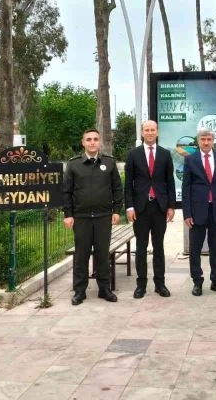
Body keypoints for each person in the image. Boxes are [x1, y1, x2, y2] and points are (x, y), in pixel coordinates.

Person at [63, 128, 123, 306]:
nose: (92, 142)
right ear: (83, 143)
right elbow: (66, 192)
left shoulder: (109, 163)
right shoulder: (74, 164)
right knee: (81, 255)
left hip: (103, 216)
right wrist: (68, 214)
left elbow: (117, 189)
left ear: (99, 142)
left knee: (102, 254)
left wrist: (116, 210)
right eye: (88, 139)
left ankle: (104, 289)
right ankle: (79, 291)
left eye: (95, 139)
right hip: (81, 217)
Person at [124, 120, 176, 298]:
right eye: (147, 130)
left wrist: (171, 206)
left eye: (153, 129)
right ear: (142, 133)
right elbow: (128, 184)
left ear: (157, 132)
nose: (150, 132)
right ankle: (141, 285)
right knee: (141, 247)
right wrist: (129, 207)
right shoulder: (133, 154)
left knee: (158, 246)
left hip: (160, 207)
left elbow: (170, 182)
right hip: (141, 208)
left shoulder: (165, 154)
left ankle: (160, 284)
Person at [182, 127, 216, 296]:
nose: (206, 142)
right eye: (203, 139)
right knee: (195, 250)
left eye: (209, 139)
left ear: (213, 140)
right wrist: (187, 214)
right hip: (197, 212)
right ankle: (197, 282)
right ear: (198, 141)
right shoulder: (190, 159)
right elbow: (186, 188)